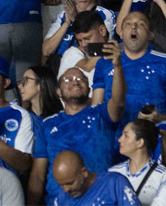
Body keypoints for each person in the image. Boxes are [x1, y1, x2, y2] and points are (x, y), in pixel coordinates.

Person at [27, 40, 126, 204]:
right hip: (59, 201)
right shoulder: (47, 124)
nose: (75, 81)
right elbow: (38, 174)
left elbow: (119, 102)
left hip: (101, 199)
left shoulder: (101, 113)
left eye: (81, 79)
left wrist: (117, 67)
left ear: (88, 90)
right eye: (67, 79)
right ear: (58, 92)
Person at [109, 120, 166, 205]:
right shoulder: (114, 172)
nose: (119, 139)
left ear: (140, 142)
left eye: (126, 136)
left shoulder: (164, 177)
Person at [50, 150, 140, 205]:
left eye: (70, 183)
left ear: (84, 172)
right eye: (61, 185)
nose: (66, 190)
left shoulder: (115, 184)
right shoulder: (61, 199)